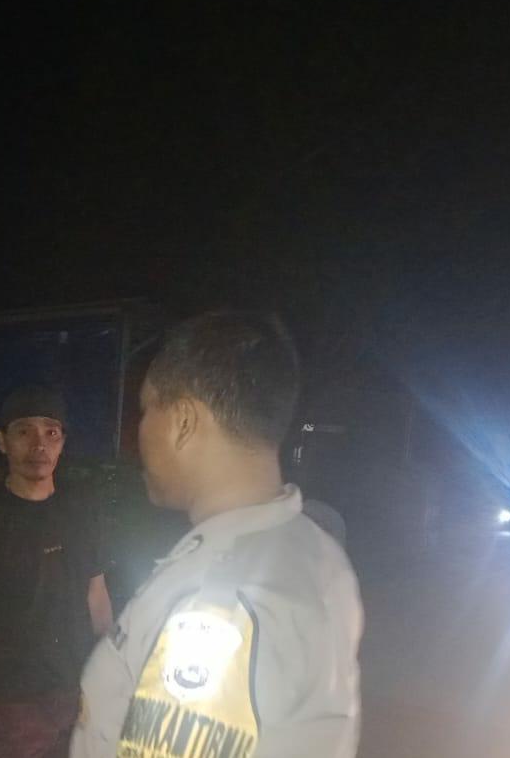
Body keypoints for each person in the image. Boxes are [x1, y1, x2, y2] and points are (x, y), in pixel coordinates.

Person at [71, 312, 363, 758]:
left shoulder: (218, 599)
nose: (137, 432)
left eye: (146, 411)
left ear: (184, 421)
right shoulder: (313, 548)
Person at [0, 386, 113, 758]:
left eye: (51, 433)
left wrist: (111, 680)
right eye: (24, 432)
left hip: (76, 694)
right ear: (2, 441)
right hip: (7, 699)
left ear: (62, 442)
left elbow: (97, 599)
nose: (40, 445)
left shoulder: (83, 512)